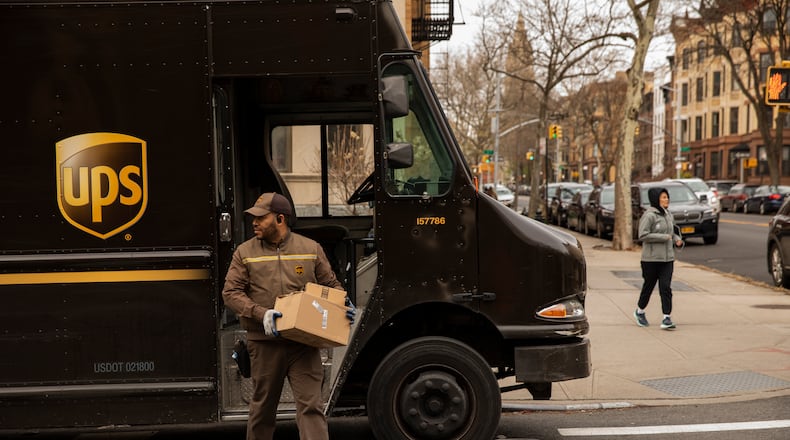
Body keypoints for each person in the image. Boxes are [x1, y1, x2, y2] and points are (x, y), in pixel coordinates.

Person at [222, 192, 354, 440]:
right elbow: (230, 293)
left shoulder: (310, 249)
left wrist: (342, 303)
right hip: (264, 344)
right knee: (262, 410)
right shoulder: (245, 252)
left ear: (280, 219)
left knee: (312, 408)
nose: (254, 223)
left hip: (304, 344)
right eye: (254, 218)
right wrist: (262, 314)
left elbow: (331, 286)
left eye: (261, 218)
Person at [634, 187, 683, 330]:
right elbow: (642, 235)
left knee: (665, 287)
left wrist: (677, 239)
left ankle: (667, 318)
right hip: (651, 260)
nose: (666, 200)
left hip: (667, 259)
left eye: (667, 197)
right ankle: (640, 311)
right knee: (648, 287)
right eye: (663, 197)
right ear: (656, 199)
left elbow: (672, 232)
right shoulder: (649, 216)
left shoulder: (668, 215)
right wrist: (663, 237)